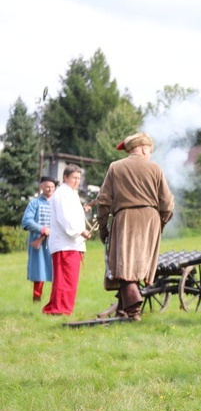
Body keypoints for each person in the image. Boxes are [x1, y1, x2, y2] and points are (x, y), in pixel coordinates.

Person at [96, 132, 174, 321]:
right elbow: (168, 204)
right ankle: (123, 310)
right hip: (151, 219)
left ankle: (133, 310)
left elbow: (103, 201)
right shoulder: (155, 168)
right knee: (138, 263)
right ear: (144, 148)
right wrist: (160, 223)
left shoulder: (115, 167)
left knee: (123, 263)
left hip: (125, 219)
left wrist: (103, 227)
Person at [43, 165, 91, 315]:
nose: (77, 181)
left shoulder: (70, 193)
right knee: (65, 279)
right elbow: (64, 219)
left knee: (66, 278)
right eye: (74, 178)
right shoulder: (63, 193)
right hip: (65, 243)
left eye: (78, 178)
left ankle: (57, 307)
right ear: (65, 177)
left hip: (70, 243)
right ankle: (60, 309)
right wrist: (80, 231)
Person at [21, 176, 57, 302]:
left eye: (52, 187)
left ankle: (56, 300)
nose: (50, 189)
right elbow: (26, 221)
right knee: (39, 270)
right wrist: (42, 229)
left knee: (57, 272)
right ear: (41, 186)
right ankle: (37, 298)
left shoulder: (57, 203)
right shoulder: (34, 203)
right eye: (47, 186)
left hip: (55, 241)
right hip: (39, 241)